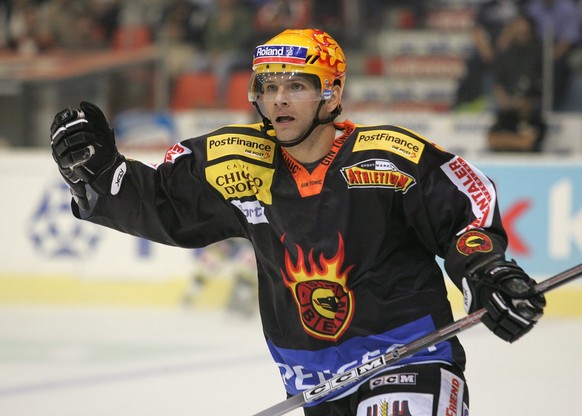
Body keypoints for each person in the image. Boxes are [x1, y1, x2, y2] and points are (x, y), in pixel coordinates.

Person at [50, 29, 546, 416]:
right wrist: (97, 174)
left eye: (297, 85)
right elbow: (163, 204)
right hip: (316, 384)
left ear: (330, 95)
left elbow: (463, 209)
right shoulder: (241, 163)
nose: (280, 99)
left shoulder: (388, 157)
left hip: (408, 362)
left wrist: (487, 270)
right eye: (269, 87)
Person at [488, 14, 547, 152]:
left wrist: (506, 139)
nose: (522, 101)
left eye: (525, 32)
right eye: (519, 32)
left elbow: (528, 143)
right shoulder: (507, 116)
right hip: (503, 162)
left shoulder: (537, 119)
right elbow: (492, 139)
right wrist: (518, 140)